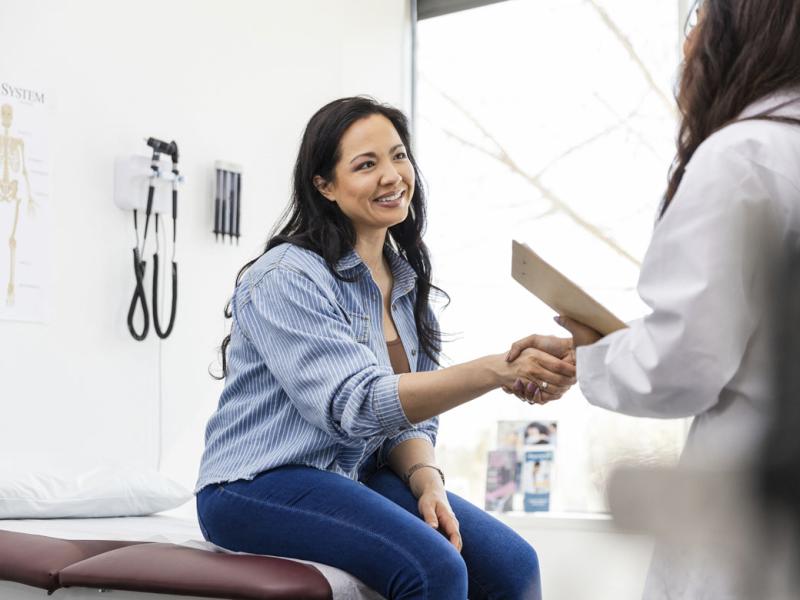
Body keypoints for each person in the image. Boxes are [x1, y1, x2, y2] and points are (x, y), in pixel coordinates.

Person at [195, 96, 576, 600]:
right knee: (435, 569)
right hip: (252, 485)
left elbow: (408, 423)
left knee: (513, 566)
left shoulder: (404, 284)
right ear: (324, 186)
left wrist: (427, 480)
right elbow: (356, 405)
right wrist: (496, 370)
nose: (392, 176)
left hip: (352, 475)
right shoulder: (285, 277)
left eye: (399, 156)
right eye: (366, 164)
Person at [506, 0, 800, 597]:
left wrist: (597, 351)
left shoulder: (741, 157)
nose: (691, 42)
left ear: (739, 34)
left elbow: (683, 364)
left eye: (698, 24)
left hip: (752, 501)